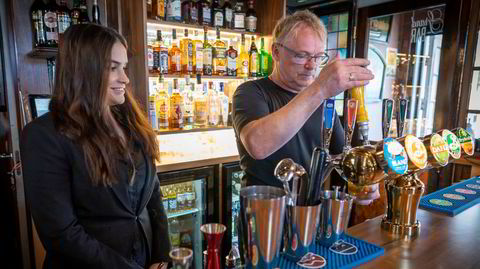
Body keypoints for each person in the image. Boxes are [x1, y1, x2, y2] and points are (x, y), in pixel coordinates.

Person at [21, 24, 170, 269]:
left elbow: (153, 194)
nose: (126, 78)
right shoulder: (43, 136)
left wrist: (161, 256)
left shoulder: (130, 122)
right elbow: (62, 234)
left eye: (124, 67)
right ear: (83, 70)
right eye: (113, 68)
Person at [232, 10, 379, 204]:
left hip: (309, 213)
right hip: (263, 213)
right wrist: (319, 89)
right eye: (302, 56)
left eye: (318, 57)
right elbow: (258, 145)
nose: (312, 66)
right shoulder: (251, 92)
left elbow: (340, 158)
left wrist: (362, 183)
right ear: (276, 52)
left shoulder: (321, 99)